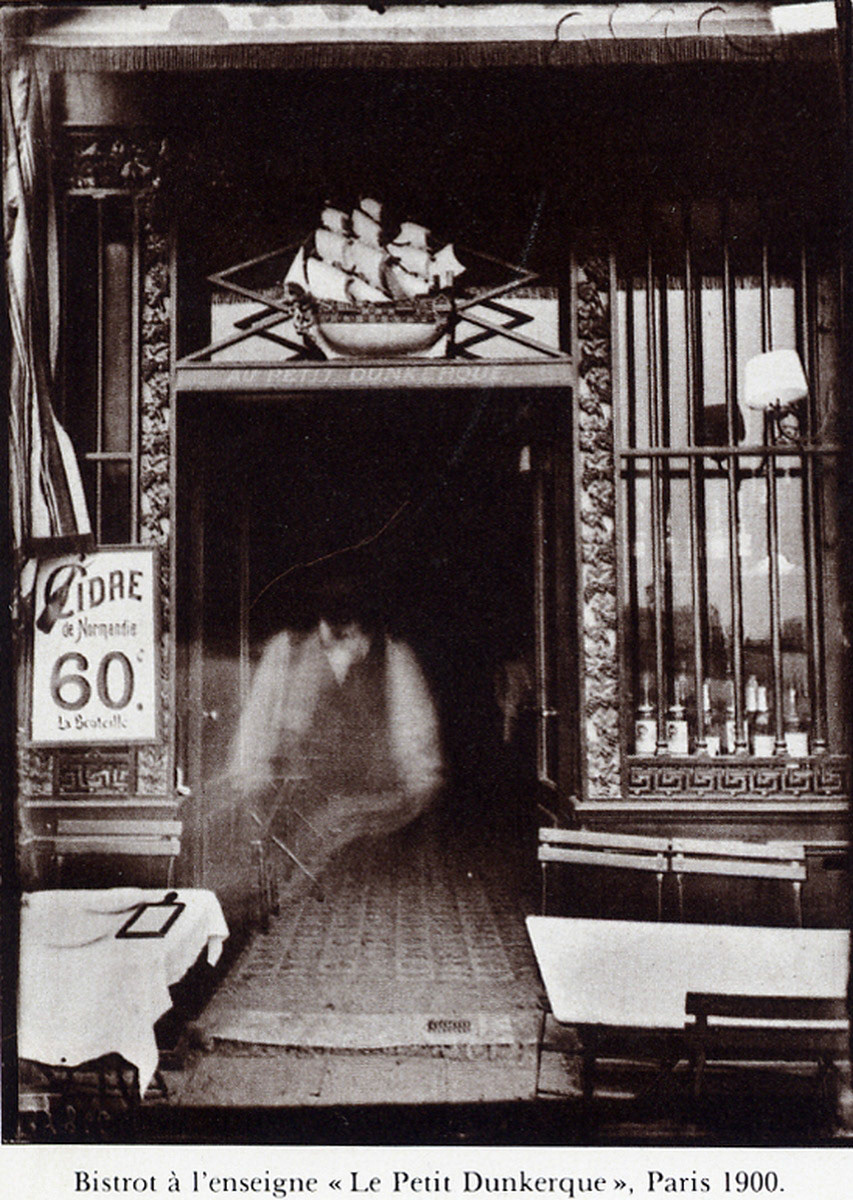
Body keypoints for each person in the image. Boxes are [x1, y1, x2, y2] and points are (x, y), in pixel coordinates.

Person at [225, 581, 443, 892]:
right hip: (303, 802)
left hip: (371, 804)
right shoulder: (287, 651)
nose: (346, 634)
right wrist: (249, 779)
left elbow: (413, 729)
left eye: (354, 625)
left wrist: (418, 783)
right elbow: (257, 723)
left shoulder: (393, 655)